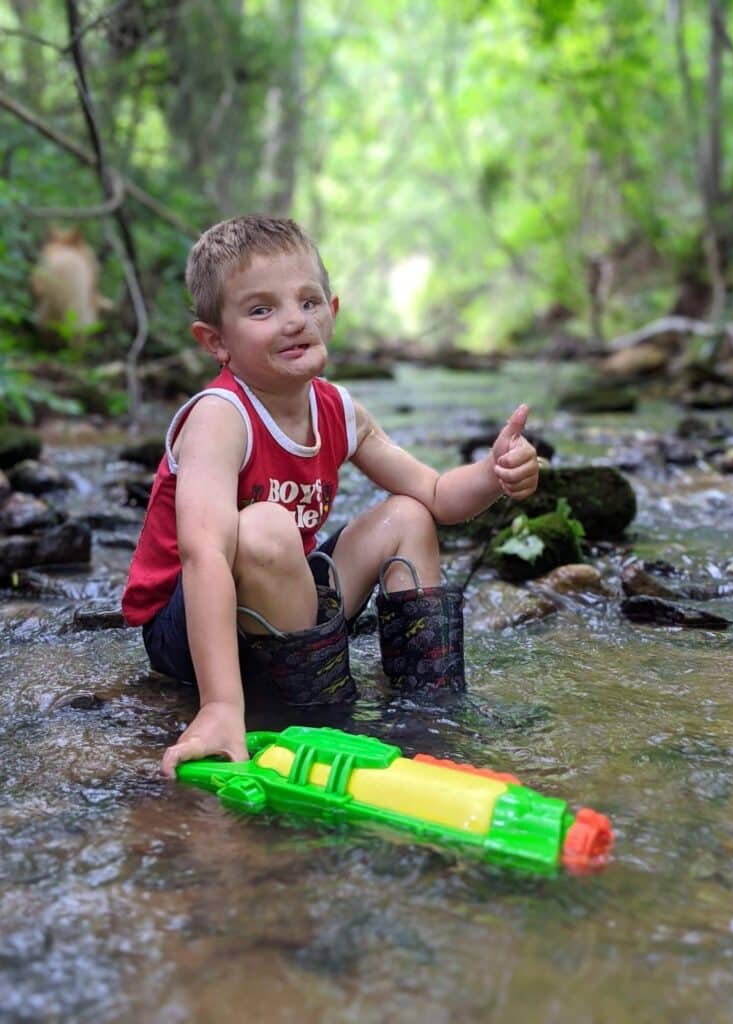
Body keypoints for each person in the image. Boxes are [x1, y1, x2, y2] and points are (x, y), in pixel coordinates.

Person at [122, 216, 539, 777]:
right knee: (265, 526)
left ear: (332, 312)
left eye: (308, 302)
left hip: (282, 605)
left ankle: (431, 708)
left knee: (407, 516)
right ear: (216, 341)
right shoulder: (220, 417)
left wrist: (494, 472)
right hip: (190, 628)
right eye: (262, 310)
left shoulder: (339, 410)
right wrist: (220, 705)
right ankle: (321, 710)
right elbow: (205, 555)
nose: (295, 320)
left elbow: (438, 495)